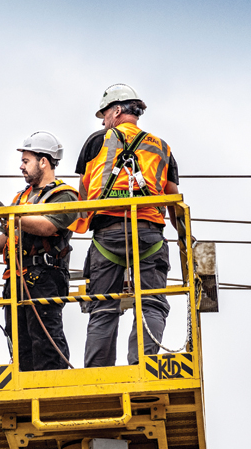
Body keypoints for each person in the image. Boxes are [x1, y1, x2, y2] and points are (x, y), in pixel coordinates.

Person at [72, 83, 185, 367]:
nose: (103, 121)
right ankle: (142, 366)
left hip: (107, 234)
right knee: (152, 303)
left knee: (103, 308)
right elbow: (173, 198)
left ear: (117, 111)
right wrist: (185, 238)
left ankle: (97, 372)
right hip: (149, 233)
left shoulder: (97, 141)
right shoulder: (161, 147)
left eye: (105, 115)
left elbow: (83, 192)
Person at [0, 131, 80, 371]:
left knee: (46, 341)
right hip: (16, 280)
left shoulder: (64, 195)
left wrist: (8, 214)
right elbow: (10, 236)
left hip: (44, 277)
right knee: (19, 346)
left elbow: (47, 227)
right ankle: (27, 385)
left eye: (26, 161)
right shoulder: (22, 199)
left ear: (43, 161)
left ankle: (52, 385)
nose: (21, 166)